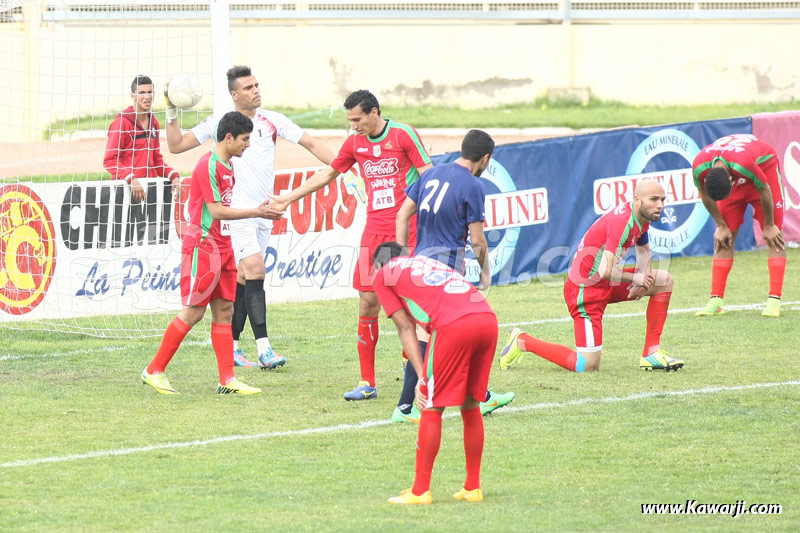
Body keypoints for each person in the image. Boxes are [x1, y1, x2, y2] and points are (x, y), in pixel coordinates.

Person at [164, 65, 335, 369]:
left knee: (244, 277)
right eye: (248, 88)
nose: (256, 90)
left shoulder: (273, 120)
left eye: (257, 85)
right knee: (256, 269)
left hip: (263, 211)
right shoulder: (218, 122)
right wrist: (170, 112)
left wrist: (344, 163)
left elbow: (311, 143)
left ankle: (231, 346)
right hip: (236, 212)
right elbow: (176, 146)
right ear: (234, 94)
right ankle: (264, 348)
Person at [269, 90, 433, 400]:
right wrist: (287, 199)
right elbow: (329, 172)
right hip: (373, 231)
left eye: (357, 120)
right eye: (349, 121)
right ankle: (366, 382)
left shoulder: (403, 135)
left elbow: (429, 176)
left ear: (375, 112)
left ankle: (415, 378)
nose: (353, 126)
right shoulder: (355, 143)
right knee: (368, 302)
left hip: (407, 230)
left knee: (411, 305)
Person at [141, 111, 283, 395]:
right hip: (203, 245)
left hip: (223, 244)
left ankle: (227, 380)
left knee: (225, 310)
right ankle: (153, 371)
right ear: (228, 137)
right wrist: (257, 211)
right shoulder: (208, 164)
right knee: (194, 311)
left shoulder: (228, 165)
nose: (248, 145)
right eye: (244, 139)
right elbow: (216, 210)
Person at [392, 129, 514, 423]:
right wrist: (486, 273)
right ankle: (407, 407)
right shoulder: (473, 185)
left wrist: (401, 260)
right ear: (485, 158)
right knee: (460, 328)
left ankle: (477, 396)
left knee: (437, 330)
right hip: (446, 267)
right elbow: (477, 240)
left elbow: (401, 215)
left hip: (420, 262)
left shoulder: (432, 173)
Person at [499, 180, 684, 373]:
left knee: (663, 281)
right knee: (587, 365)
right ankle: (523, 341)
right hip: (584, 291)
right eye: (654, 199)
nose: (660, 205)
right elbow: (604, 270)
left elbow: (644, 251)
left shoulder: (643, 217)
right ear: (637, 200)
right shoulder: (622, 222)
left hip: (605, 283)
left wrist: (644, 279)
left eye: (662, 199)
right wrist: (635, 279)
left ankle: (651, 354)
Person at [371, 242, 497, 505]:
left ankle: (420, 490)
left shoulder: (384, 274)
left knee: (431, 405)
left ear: (379, 265)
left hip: (455, 326)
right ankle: (473, 487)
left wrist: (421, 376)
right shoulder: (425, 263)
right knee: (470, 403)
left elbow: (405, 327)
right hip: (486, 318)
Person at [692, 134, 786, 318]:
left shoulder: (744, 163)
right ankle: (716, 301)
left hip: (762, 170)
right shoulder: (699, 166)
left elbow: (764, 190)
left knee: (774, 235)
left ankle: (774, 301)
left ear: (730, 180)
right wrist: (721, 225)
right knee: (725, 236)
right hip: (733, 168)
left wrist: (768, 225)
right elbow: (704, 195)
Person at [104, 75, 180, 203]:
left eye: (150, 92)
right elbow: (109, 160)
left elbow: (156, 160)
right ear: (133, 96)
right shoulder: (122, 123)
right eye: (142, 93)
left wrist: (173, 175)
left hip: (149, 191)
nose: (147, 96)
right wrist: (131, 179)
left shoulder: (154, 123)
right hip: (126, 191)